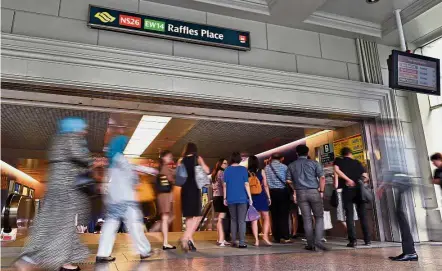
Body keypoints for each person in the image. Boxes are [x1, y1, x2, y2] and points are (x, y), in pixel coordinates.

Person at [15, 117, 104, 271]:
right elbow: (80, 157)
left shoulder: (58, 140)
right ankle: (31, 258)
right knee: (62, 227)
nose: (85, 131)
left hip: (58, 189)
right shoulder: (70, 137)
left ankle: (64, 262)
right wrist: (95, 161)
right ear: (75, 128)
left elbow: (72, 166)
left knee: (55, 225)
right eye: (83, 128)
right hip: (65, 190)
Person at [96, 135, 152, 263]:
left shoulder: (111, 160)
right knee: (135, 224)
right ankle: (144, 250)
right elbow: (131, 173)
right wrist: (139, 178)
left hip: (112, 199)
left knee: (110, 225)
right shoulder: (120, 158)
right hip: (126, 199)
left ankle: (102, 254)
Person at [287, 145, 327, 251]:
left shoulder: (291, 165)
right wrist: (321, 191)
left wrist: (295, 189)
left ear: (297, 153)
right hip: (314, 191)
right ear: (307, 152)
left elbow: (289, 180)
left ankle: (310, 244)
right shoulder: (314, 163)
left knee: (307, 218)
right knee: (319, 217)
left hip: (300, 193)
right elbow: (322, 177)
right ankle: (318, 240)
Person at [334, 147, 371, 247]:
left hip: (347, 190)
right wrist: (359, 181)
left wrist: (348, 180)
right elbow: (366, 177)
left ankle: (353, 241)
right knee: (363, 215)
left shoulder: (339, 161)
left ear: (342, 154)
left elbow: (336, 170)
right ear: (350, 153)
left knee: (349, 216)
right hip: (359, 190)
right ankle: (367, 240)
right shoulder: (357, 162)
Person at [179, 142, 210, 252]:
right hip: (194, 189)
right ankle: (185, 237)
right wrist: (201, 162)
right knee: (197, 216)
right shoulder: (197, 158)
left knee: (189, 217)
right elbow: (207, 171)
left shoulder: (181, 160)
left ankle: (190, 241)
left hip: (184, 190)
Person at [223, 152, 252, 248]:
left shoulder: (226, 170)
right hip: (242, 198)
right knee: (242, 220)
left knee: (233, 220)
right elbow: (246, 184)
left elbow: (225, 185)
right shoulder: (243, 169)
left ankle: (233, 241)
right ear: (239, 159)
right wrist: (250, 198)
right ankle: (242, 242)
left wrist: (225, 198)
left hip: (231, 198)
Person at [264, 153, 291, 243]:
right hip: (283, 192)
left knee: (274, 215)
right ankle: (286, 237)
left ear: (271, 158)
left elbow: (266, 182)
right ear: (281, 158)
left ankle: (276, 237)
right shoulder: (284, 167)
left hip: (271, 193)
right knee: (284, 214)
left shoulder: (267, 168)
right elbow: (287, 180)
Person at [248, 156, 272, 246]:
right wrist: (269, 197)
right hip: (261, 196)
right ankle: (265, 236)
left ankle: (256, 240)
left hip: (252, 197)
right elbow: (265, 185)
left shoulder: (247, 172)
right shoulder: (261, 171)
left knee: (254, 219)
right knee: (266, 217)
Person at [333, 157, 358, 236]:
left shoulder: (337, 171)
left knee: (341, 214)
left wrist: (333, 179)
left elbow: (336, 185)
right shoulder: (349, 170)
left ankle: (349, 232)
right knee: (351, 213)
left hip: (340, 193)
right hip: (350, 192)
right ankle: (352, 232)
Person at [157, 150, 176, 250]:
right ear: (163, 157)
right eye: (168, 156)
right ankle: (165, 242)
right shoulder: (165, 167)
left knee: (167, 217)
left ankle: (165, 241)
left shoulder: (162, 167)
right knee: (166, 218)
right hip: (165, 196)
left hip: (163, 196)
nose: (170, 158)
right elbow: (171, 180)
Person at [211, 158, 230, 247]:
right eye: (224, 163)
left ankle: (220, 239)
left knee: (220, 218)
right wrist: (226, 198)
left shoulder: (214, 174)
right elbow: (224, 185)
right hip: (221, 197)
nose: (226, 165)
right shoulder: (222, 173)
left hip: (216, 197)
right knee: (221, 219)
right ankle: (221, 239)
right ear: (220, 164)